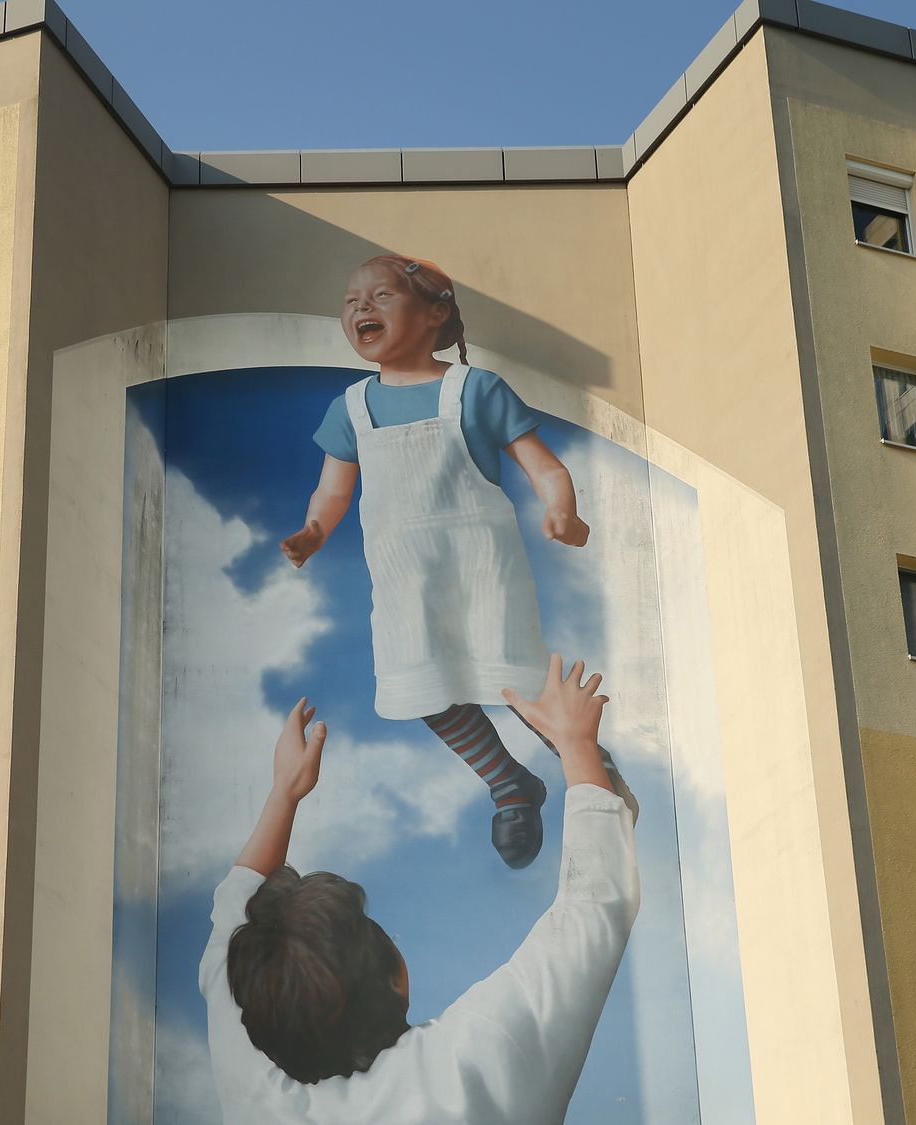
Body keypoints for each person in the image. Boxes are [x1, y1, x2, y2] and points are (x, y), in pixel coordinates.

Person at [199, 654, 641, 1124]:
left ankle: (513, 783)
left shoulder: (254, 1097)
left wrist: (283, 794)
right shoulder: (472, 1062)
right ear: (397, 975)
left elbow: (232, 918)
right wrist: (576, 743)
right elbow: (593, 909)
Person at [281, 254, 591, 868]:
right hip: (403, 581)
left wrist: (562, 510)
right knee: (422, 688)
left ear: (435, 312)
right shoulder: (351, 408)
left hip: (482, 572)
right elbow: (334, 490)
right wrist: (315, 530)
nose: (361, 307)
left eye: (381, 296)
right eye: (351, 300)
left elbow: (544, 466)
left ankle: (584, 762)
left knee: (515, 680)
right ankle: (508, 784)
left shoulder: (474, 390)